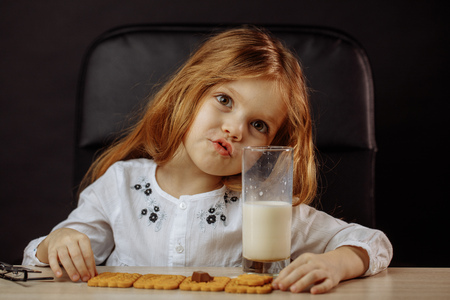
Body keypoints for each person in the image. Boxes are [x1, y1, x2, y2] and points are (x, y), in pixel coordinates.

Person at [22, 26, 392, 294]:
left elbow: (372, 243)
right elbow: (45, 259)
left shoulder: (266, 208)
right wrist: (57, 242)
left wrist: (335, 263)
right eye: (225, 100)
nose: (234, 129)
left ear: (269, 147)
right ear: (189, 93)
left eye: (258, 124)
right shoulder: (118, 188)